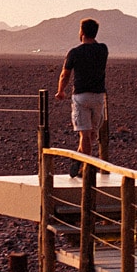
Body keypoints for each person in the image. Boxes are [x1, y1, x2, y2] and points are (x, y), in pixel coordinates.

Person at [55, 17, 108, 177]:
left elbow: (65, 74)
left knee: (85, 134)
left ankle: (85, 167)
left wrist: (60, 91)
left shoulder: (75, 52)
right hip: (98, 96)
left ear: (82, 32)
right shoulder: (103, 49)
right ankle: (79, 163)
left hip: (81, 97)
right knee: (91, 135)